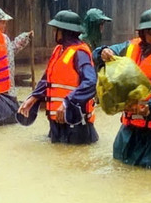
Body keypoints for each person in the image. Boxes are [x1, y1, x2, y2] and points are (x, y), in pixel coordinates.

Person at [97, 8, 151, 170]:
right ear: (142, 33)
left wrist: (148, 108)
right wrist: (103, 52)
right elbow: (104, 53)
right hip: (129, 132)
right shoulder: (130, 47)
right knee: (122, 172)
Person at [17, 10, 98, 144]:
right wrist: (34, 97)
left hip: (76, 124)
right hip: (57, 121)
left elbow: (90, 83)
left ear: (65, 32)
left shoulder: (80, 53)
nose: (54, 33)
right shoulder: (59, 50)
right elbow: (47, 79)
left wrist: (68, 102)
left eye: (56, 30)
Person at [0, 4, 33, 97]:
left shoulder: (4, 38)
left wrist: (25, 37)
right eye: (3, 22)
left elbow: (11, 50)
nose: (5, 25)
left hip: (7, 86)